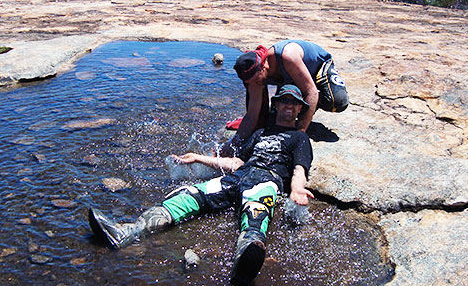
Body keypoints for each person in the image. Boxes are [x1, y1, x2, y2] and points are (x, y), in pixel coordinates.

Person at [88, 85, 314, 286]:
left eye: (294, 104)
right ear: (277, 105)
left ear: (298, 110)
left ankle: (243, 267)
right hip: (238, 177)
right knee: (188, 196)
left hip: (266, 180)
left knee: (256, 215)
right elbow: (235, 163)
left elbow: (299, 169)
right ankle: (126, 232)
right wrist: (198, 158)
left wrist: (296, 189)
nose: (289, 106)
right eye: (285, 101)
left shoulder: (299, 138)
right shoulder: (259, 134)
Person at [230, 39, 348, 146]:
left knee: (337, 102)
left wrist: (298, 134)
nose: (255, 83)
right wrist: (234, 143)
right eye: (250, 82)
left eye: (256, 79)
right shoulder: (254, 77)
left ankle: (310, 105)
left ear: (263, 66)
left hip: (317, 67)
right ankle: (300, 100)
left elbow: (311, 92)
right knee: (267, 123)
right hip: (293, 78)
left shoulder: (287, 57)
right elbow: (252, 115)